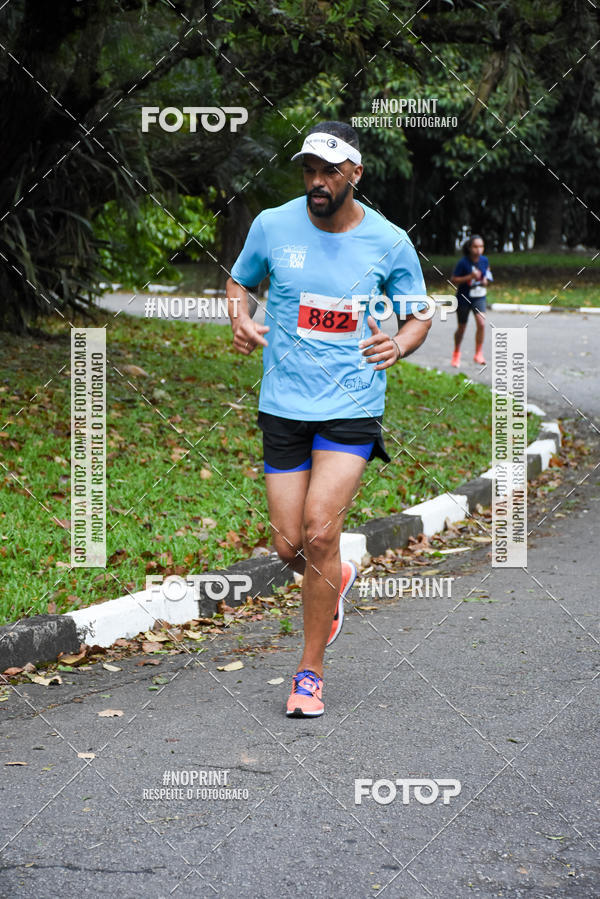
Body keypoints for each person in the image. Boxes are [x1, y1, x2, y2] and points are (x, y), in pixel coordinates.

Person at [226, 121, 431, 718]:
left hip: (352, 407)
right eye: (309, 171)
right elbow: (240, 281)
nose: (317, 182)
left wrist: (400, 344)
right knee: (290, 544)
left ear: (355, 175)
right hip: (284, 405)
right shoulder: (272, 225)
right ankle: (335, 577)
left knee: (319, 529)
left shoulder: (389, 242)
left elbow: (419, 315)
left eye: (329, 172)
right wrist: (239, 317)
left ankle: (309, 672)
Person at [450, 234, 493, 366]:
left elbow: (488, 275)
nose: (478, 250)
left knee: (481, 323)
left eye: (481, 246)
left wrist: (486, 280)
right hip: (464, 297)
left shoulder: (484, 260)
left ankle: (478, 353)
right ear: (470, 248)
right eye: (475, 246)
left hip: (479, 297)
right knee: (462, 328)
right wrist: (469, 277)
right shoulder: (463, 262)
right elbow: (454, 280)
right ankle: (456, 353)